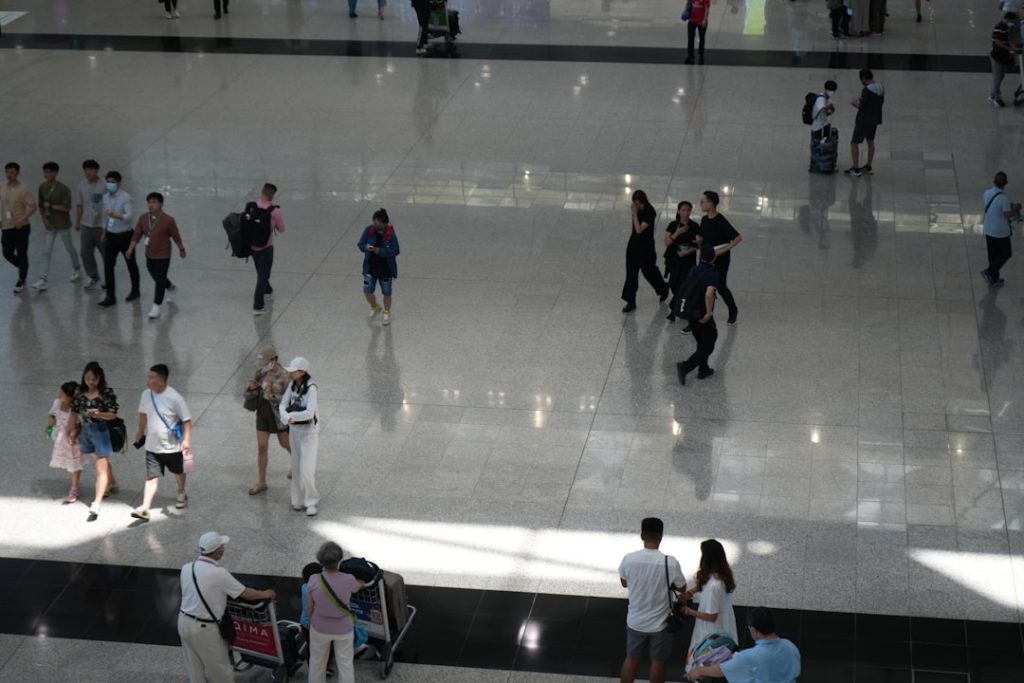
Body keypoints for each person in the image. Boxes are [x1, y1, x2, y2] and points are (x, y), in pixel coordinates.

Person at [178, 532, 276, 683]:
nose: (223, 549)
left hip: (183, 622)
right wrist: (266, 593)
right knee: (220, 670)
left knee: (194, 667)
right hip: (205, 629)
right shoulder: (219, 574)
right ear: (218, 551)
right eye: (222, 546)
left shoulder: (186, 568)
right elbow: (246, 593)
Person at [618, 517, 686, 683]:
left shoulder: (629, 559)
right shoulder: (670, 562)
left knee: (631, 659)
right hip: (660, 624)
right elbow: (682, 587)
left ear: (642, 536)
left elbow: (624, 582)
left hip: (635, 621)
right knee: (658, 662)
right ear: (661, 536)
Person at [130, 364, 193, 522]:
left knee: (178, 472)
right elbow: (143, 413)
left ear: (161, 381)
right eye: (148, 377)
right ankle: (145, 507)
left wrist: (186, 440)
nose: (148, 380)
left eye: (151, 377)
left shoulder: (175, 398)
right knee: (152, 476)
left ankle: (181, 492)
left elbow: (187, 420)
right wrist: (140, 431)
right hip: (152, 446)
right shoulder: (146, 394)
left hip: (172, 447)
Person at [684, 607, 801, 682]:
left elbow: (722, 670)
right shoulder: (790, 646)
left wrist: (699, 671)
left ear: (754, 630)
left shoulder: (749, 656)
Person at [66, 361, 120, 522]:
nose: (90, 382)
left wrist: (99, 414)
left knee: (100, 467)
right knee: (98, 460)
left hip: (101, 430)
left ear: (99, 379)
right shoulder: (79, 393)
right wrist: (70, 432)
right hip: (86, 430)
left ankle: (97, 503)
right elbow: (74, 413)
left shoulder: (106, 393)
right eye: (87, 378)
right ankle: (112, 482)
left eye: (94, 379)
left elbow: (113, 414)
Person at [306, 542, 365, 683]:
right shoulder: (349, 579)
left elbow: (310, 607)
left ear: (320, 560)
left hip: (319, 628)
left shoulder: (314, 579)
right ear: (339, 559)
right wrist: (361, 582)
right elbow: (356, 588)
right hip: (343, 629)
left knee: (316, 663)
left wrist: (312, 622)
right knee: (345, 665)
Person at [128, 192, 185, 319]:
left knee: (159, 280)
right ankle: (171, 288)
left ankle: (156, 306)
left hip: (164, 255)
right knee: (158, 277)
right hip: (150, 255)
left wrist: (181, 249)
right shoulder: (143, 218)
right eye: (149, 202)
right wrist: (130, 248)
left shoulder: (168, 220)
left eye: (154, 202)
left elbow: (176, 236)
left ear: (161, 204)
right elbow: (136, 235)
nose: (151, 205)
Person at [682, 539, 738, 666]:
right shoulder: (720, 576)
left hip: (711, 634)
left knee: (703, 666)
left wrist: (688, 611)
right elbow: (703, 585)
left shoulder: (715, 586)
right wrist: (690, 592)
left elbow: (711, 616)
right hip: (720, 630)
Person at [247, 346, 293, 496]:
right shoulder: (261, 372)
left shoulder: (285, 376)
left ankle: (298, 461)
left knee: (284, 443)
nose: (263, 365)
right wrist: (252, 388)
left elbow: (289, 400)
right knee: (261, 446)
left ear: (274, 360)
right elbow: (249, 391)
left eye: (266, 362)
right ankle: (261, 481)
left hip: (278, 415)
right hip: (263, 412)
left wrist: (270, 393)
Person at [280, 357, 320, 516]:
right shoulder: (292, 385)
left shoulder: (311, 388)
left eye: (294, 371)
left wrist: (291, 416)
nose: (290, 373)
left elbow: (310, 412)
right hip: (294, 431)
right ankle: (297, 499)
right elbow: (283, 404)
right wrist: (285, 417)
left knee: (306, 469)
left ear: (302, 372)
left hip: (309, 433)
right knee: (296, 467)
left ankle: (311, 501)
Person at [33, 162, 81, 291]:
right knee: (46, 251)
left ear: (55, 173)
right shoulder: (42, 187)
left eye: (49, 172)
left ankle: (77, 268)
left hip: (63, 225)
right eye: (45, 172)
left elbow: (66, 208)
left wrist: (52, 206)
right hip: (50, 225)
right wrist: (44, 220)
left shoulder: (64, 189)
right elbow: (41, 205)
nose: (47, 174)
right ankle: (43, 278)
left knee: (69, 247)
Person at [695, 190, 741, 324]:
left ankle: (733, 309)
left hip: (721, 259)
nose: (701, 204)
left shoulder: (721, 221)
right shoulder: (704, 220)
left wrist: (723, 251)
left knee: (720, 286)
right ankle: (707, 313)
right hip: (706, 258)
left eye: (703, 201)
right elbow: (703, 239)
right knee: (704, 285)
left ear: (711, 203)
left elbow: (737, 238)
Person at [676, 246, 720, 385]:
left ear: (700, 257)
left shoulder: (693, 269)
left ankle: (703, 368)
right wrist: (708, 313)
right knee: (709, 344)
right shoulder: (712, 274)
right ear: (714, 257)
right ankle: (685, 367)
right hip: (702, 313)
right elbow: (709, 294)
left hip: (691, 312)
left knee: (702, 342)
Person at [622, 190, 670, 313]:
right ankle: (630, 301)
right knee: (631, 273)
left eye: (638, 204)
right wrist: (635, 213)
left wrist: (634, 215)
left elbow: (639, 229)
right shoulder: (637, 210)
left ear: (643, 202)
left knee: (648, 270)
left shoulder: (650, 212)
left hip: (646, 247)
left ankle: (662, 288)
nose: (636, 206)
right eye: (635, 204)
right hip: (633, 245)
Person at [97, 171, 139, 307]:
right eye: (108, 181)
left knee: (130, 263)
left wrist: (115, 215)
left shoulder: (126, 198)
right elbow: (105, 216)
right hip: (111, 235)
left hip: (125, 235)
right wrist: (104, 231)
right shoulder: (105, 198)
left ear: (119, 183)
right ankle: (110, 296)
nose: (110, 184)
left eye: (113, 182)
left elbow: (129, 216)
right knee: (108, 265)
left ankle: (135, 289)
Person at [358, 208, 401, 326]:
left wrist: (379, 250)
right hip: (370, 268)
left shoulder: (390, 234)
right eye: (374, 222)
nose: (376, 226)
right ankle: (375, 307)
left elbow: (396, 251)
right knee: (367, 290)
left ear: (384, 223)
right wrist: (366, 247)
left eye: (378, 224)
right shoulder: (368, 230)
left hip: (386, 269)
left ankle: (386, 312)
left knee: (387, 292)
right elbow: (360, 244)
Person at [248, 183, 285, 316]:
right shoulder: (274, 211)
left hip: (252, 247)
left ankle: (267, 290)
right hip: (266, 247)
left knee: (261, 271)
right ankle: (258, 306)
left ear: (262, 192)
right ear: (272, 195)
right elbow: (281, 229)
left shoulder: (249, 207)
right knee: (263, 275)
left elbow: (241, 220)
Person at [1, 161, 36, 293]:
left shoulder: (23, 189)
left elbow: (33, 207)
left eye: (12, 172)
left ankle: (22, 279)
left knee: (22, 253)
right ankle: (23, 266)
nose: (9, 175)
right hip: (6, 226)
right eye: (7, 172)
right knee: (6, 252)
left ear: (17, 173)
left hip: (21, 227)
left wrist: (22, 219)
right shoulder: (2, 185)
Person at [981, 171, 1021, 286]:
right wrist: (1016, 208)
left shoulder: (987, 193)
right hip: (1000, 232)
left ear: (994, 181)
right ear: (1005, 184)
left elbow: (989, 205)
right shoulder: (1004, 198)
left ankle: (994, 278)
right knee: (1006, 253)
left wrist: (1010, 205)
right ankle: (989, 271)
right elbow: (1007, 215)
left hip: (989, 229)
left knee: (993, 254)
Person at [48, 381, 84, 505]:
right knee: (68, 462)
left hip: (72, 442)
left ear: (70, 398)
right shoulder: (57, 403)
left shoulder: (75, 411)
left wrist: (74, 435)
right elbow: (52, 414)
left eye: (62, 394)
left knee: (74, 465)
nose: (59, 395)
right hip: (60, 439)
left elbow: (79, 426)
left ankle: (74, 489)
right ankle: (74, 486)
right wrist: (51, 422)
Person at [664, 200, 699, 324]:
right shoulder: (673, 225)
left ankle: (674, 310)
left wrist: (687, 252)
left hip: (688, 261)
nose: (685, 213)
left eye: (688, 210)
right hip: (674, 260)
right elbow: (667, 242)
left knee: (683, 286)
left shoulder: (695, 226)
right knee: (674, 284)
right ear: (679, 211)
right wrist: (678, 232)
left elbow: (698, 244)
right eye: (683, 210)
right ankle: (676, 305)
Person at [845, 69, 885, 177]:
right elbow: (880, 102)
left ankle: (856, 169)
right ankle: (868, 166)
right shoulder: (881, 87)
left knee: (854, 143)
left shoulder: (866, 90)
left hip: (864, 120)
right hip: (875, 119)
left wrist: (856, 103)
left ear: (863, 78)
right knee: (870, 141)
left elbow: (863, 107)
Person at [75, 159, 106, 291]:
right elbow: (79, 205)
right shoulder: (81, 185)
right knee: (85, 253)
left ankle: (110, 278)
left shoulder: (104, 185)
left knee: (106, 253)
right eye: (86, 170)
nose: (88, 172)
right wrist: (78, 222)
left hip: (101, 226)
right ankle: (93, 275)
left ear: (96, 170)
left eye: (90, 169)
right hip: (86, 225)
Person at [990, 10, 1021, 108]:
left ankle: (992, 94)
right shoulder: (998, 28)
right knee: (998, 78)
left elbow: (1007, 40)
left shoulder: (1006, 27)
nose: (1012, 23)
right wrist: (1010, 48)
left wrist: (1014, 47)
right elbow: (998, 43)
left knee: (1001, 76)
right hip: (996, 56)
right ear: (1007, 19)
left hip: (1003, 55)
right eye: (1012, 21)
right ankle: (996, 97)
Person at [685, 0, 711, 64]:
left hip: (701, 21)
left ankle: (701, 54)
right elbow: (688, 2)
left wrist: (705, 20)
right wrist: (685, 11)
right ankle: (690, 55)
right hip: (692, 20)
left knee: (702, 38)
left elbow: (707, 8)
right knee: (690, 37)